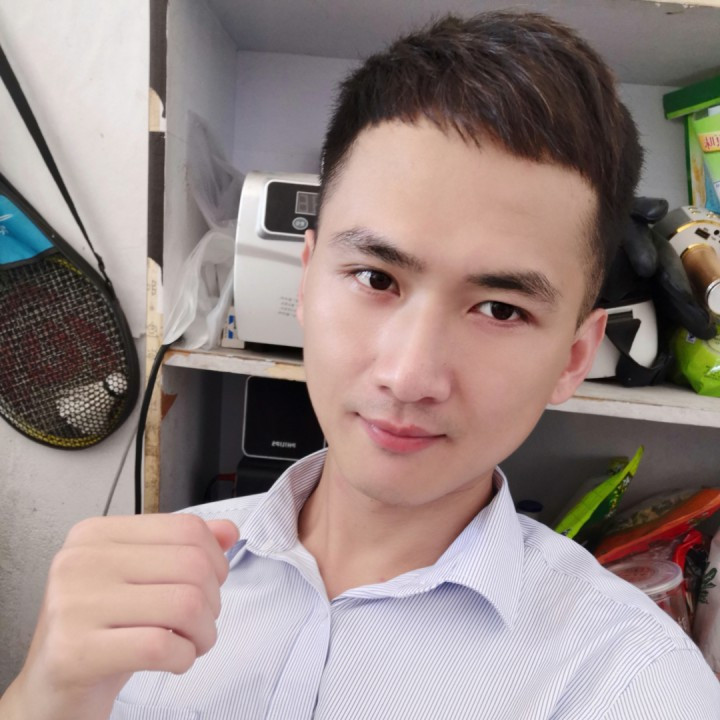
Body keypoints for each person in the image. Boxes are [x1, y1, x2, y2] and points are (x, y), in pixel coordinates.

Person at [2, 10, 719, 720]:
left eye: (501, 309)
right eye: (377, 278)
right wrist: (44, 697)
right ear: (306, 281)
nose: (408, 377)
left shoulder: (635, 684)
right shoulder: (140, 586)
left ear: (574, 356)